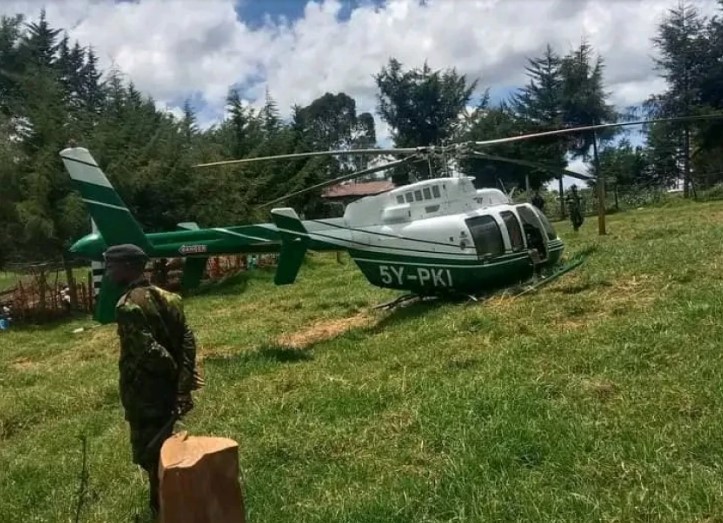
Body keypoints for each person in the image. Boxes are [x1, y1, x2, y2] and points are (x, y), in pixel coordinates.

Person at [103, 243, 203, 516]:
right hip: (170, 392)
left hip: (146, 395)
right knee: (168, 448)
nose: (108, 271)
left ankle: (163, 509)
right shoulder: (169, 297)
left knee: (152, 456)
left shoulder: (126, 306)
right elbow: (187, 341)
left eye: (112, 265)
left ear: (127, 267)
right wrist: (182, 386)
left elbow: (148, 351)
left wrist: (173, 378)